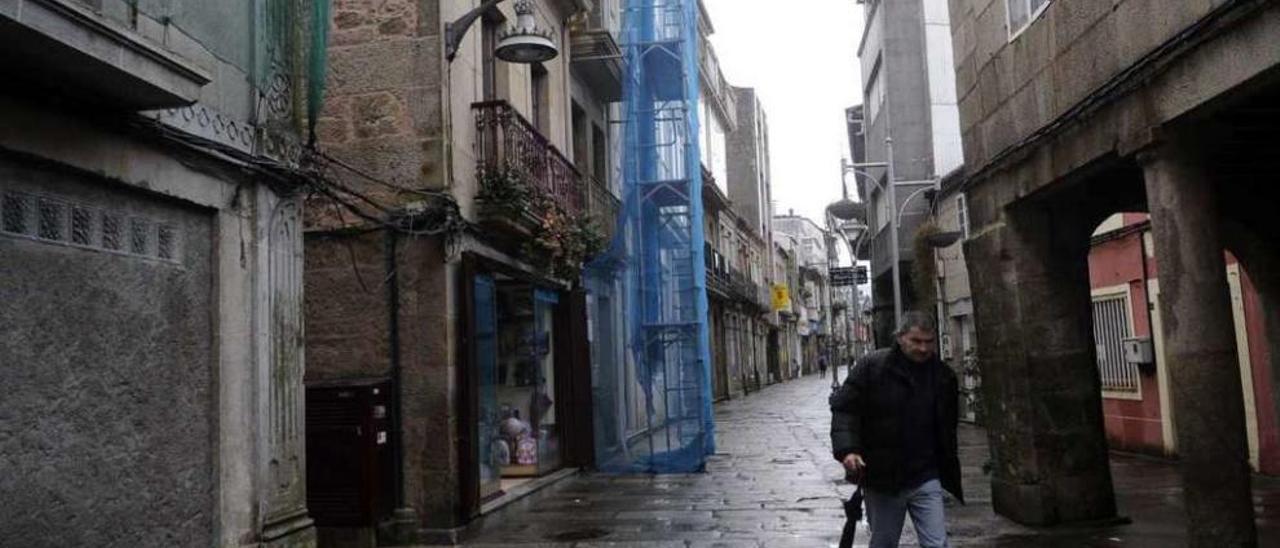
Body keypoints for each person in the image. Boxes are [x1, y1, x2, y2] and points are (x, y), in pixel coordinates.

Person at [829, 312, 963, 548]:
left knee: (937, 543)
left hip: (926, 475)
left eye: (928, 342)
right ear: (900, 338)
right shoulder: (872, 367)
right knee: (884, 542)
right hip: (884, 479)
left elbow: (947, 426)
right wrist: (848, 450)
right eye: (916, 341)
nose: (923, 348)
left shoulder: (942, 376)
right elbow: (845, 409)